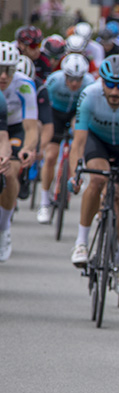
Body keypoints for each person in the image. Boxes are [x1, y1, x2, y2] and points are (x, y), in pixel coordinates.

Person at [68, 55, 119, 298]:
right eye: (109, 83)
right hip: (97, 142)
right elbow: (78, 142)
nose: (114, 90)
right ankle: (81, 242)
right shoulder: (89, 95)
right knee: (97, 179)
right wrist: (75, 174)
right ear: (101, 81)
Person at [37, 53, 93, 223]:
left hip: (76, 114)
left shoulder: (90, 84)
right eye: (70, 78)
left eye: (78, 79)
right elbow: (44, 105)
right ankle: (44, 201)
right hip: (56, 114)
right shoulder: (54, 81)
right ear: (64, 74)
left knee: (79, 134)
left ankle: (76, 170)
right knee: (52, 156)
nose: (74, 83)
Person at [0, 42, 38, 261]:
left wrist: (27, 148)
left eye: (10, 70)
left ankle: (4, 228)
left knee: (10, 170)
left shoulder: (24, 85)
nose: (4, 76)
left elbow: (31, 127)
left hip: (15, 128)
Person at [15, 55, 53, 202]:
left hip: (27, 121)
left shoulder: (39, 89)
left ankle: (24, 171)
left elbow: (47, 123)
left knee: (36, 124)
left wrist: (39, 148)